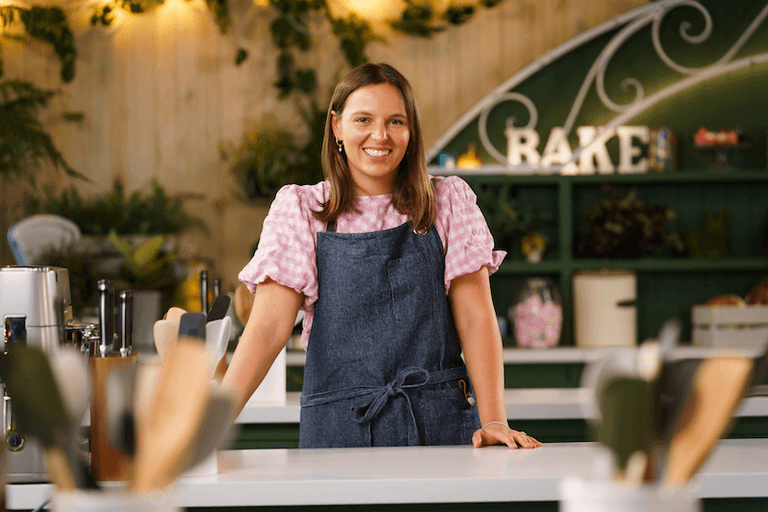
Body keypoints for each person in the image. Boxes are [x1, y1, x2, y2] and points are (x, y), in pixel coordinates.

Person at [222, 63, 541, 450]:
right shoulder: (303, 210)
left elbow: (476, 318)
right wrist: (208, 429)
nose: (380, 135)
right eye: (363, 119)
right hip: (337, 432)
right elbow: (268, 327)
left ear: (411, 131)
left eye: (395, 121)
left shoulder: (449, 203)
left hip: (440, 429)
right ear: (337, 126)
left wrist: (493, 419)